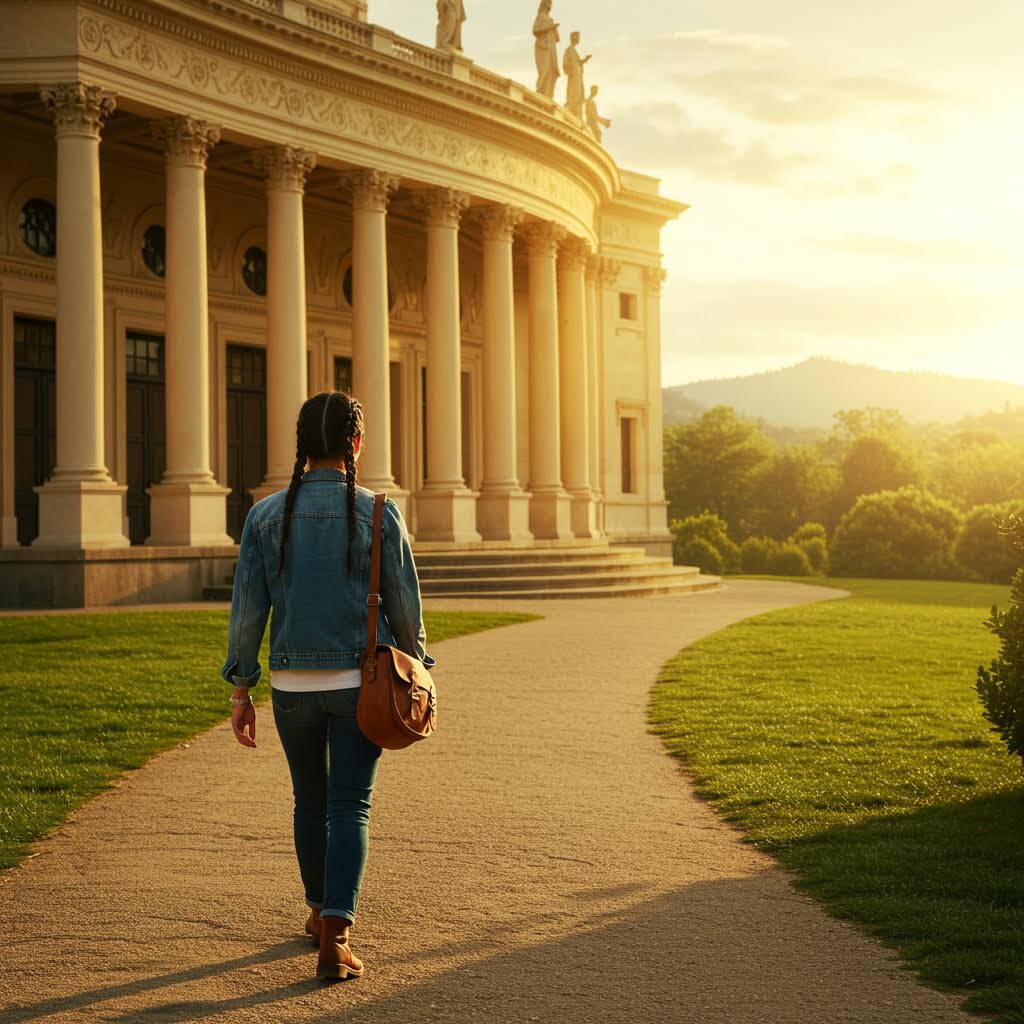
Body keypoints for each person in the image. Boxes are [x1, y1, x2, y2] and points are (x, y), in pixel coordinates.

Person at [220, 390, 435, 982]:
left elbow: (247, 614)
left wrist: (241, 688)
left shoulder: (264, 516)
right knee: (349, 806)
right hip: (359, 682)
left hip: (292, 686)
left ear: (301, 448)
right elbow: (404, 606)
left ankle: (318, 913)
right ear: (356, 444)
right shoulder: (378, 511)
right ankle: (337, 935)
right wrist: (418, 669)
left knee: (308, 803)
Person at [533, 0, 560, 98]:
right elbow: (535, 30)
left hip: (551, 48)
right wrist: (549, 27)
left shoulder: (549, 18)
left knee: (551, 71)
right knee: (545, 71)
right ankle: (541, 94)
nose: (550, 6)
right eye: (548, 3)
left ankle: (548, 95)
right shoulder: (541, 16)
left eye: (551, 4)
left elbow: (558, 38)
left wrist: (554, 27)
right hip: (543, 47)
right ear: (544, 4)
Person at [562, 30, 591, 119]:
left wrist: (584, 60)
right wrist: (571, 69)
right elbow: (565, 63)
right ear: (572, 38)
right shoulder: (569, 50)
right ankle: (572, 110)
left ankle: (577, 112)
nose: (578, 39)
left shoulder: (574, 51)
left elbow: (577, 63)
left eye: (578, 37)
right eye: (576, 37)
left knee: (578, 94)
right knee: (573, 93)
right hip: (574, 75)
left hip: (578, 75)